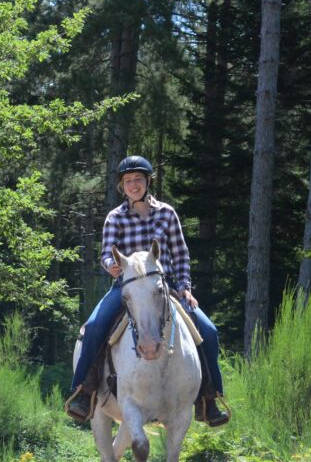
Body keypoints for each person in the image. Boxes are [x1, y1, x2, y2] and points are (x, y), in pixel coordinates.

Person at [66, 155, 229, 426]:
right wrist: (111, 266)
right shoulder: (115, 218)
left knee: (208, 331)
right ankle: (84, 391)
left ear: (148, 182)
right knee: (94, 326)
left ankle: (208, 399)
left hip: (164, 288)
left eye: (138, 180)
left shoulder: (167, 213)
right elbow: (106, 253)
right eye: (128, 181)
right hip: (127, 287)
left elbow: (180, 254)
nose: (133, 185)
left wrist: (185, 288)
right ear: (122, 186)